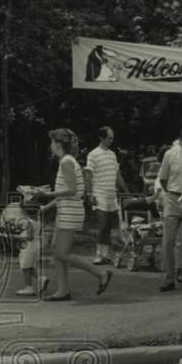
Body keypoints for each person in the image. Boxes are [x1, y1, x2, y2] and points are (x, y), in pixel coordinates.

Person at [39, 128, 113, 301]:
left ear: (58, 144)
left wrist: (46, 194)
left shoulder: (66, 162)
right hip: (66, 209)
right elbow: (65, 192)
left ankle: (101, 274)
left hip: (71, 211)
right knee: (57, 250)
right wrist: (46, 207)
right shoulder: (67, 161)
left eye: (52, 142)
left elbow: (72, 191)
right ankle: (63, 290)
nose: (50, 145)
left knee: (62, 253)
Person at [157, 126, 182, 292]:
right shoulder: (170, 154)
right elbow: (163, 178)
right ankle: (168, 277)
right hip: (172, 197)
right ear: (180, 139)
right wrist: (170, 193)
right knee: (169, 240)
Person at [84, 126, 128, 265]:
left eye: (112, 138)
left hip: (111, 195)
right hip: (99, 193)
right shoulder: (93, 154)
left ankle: (106, 254)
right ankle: (98, 254)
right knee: (103, 224)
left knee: (108, 225)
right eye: (109, 138)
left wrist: (126, 191)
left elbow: (117, 175)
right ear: (101, 138)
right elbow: (88, 175)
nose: (111, 141)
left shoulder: (112, 155)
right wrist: (89, 194)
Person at [14, 199, 48, 296]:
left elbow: (29, 237)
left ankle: (29, 287)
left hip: (29, 246)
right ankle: (41, 279)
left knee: (25, 267)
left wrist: (16, 237)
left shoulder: (28, 222)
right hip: (36, 245)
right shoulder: (37, 221)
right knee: (29, 267)